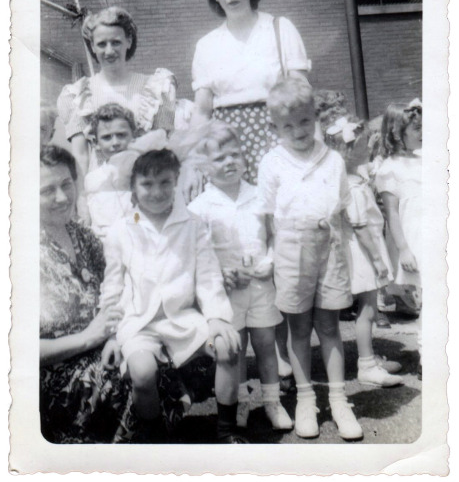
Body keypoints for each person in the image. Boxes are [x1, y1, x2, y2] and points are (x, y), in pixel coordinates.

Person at [190, 0, 311, 378]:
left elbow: (299, 95)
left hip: (275, 132)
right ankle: (261, 342)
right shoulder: (207, 44)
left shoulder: (279, 28)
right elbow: (203, 109)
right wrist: (191, 161)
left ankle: (283, 341)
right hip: (228, 140)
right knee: (244, 236)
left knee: (281, 231)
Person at [99, 149, 248, 443]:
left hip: (183, 319)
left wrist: (217, 318)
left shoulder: (192, 224)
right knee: (142, 373)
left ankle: (227, 430)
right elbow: (112, 286)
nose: (157, 192)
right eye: (147, 184)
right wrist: (112, 335)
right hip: (140, 323)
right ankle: (154, 437)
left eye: (165, 183)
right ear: (133, 187)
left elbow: (207, 276)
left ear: (176, 181)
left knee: (228, 345)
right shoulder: (120, 231)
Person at [258, 76, 363, 441]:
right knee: (299, 329)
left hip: (328, 245)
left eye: (304, 121)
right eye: (287, 125)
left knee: (331, 327)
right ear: (275, 127)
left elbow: (343, 207)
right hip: (289, 248)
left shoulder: (332, 159)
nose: (298, 130)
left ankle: (338, 399)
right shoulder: (272, 162)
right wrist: (264, 257)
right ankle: (306, 399)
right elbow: (266, 217)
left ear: (314, 118)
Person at [188, 122, 293, 431]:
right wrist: (221, 274)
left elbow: (275, 235)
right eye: (220, 158)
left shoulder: (260, 196)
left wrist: (271, 261)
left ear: (245, 159)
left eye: (235, 155)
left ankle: (272, 402)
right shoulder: (200, 207)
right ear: (205, 167)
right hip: (228, 291)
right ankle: (242, 402)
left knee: (265, 343)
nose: (229, 162)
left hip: (261, 285)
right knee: (235, 349)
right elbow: (199, 254)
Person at [39, 145, 128, 443]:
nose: (62, 197)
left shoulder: (84, 237)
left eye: (66, 184)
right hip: (54, 370)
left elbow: (116, 291)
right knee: (118, 380)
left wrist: (113, 336)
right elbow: (17, 352)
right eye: (47, 190)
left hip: (104, 345)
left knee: (155, 353)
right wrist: (88, 338)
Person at [323, 115, 403, 387]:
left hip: (364, 248)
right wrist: (379, 261)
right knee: (368, 308)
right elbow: (360, 229)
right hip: (363, 252)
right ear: (345, 151)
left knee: (367, 308)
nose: (369, 147)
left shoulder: (354, 178)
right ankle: (366, 364)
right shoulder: (351, 186)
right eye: (361, 144)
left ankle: (369, 358)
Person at [57, 6, 176, 178]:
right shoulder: (78, 95)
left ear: (128, 41)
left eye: (116, 42)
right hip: (100, 189)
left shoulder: (155, 88)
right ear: (92, 46)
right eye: (102, 44)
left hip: (146, 184)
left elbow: (163, 146)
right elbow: (80, 156)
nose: (109, 51)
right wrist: (81, 199)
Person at [376, 100, 422, 376]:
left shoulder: (429, 157)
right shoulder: (390, 168)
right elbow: (392, 214)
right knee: (427, 302)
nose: (423, 133)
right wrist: (403, 249)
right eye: (417, 129)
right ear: (397, 133)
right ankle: (428, 357)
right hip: (416, 240)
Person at [84, 103, 167, 239]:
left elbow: (160, 137)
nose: (115, 142)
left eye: (121, 135)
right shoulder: (92, 179)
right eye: (106, 137)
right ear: (96, 143)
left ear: (134, 135)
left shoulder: (144, 170)